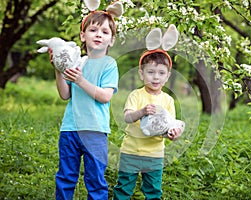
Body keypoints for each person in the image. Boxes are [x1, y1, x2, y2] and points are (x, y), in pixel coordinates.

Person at [53, 9, 119, 199]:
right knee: (65, 176)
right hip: (70, 128)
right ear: (83, 35)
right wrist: (58, 70)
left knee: (96, 179)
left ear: (111, 40)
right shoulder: (76, 61)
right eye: (93, 30)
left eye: (105, 32)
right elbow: (65, 94)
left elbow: (105, 96)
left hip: (95, 130)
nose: (99, 34)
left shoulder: (109, 64)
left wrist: (81, 81)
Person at [113, 49, 182, 199]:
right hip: (131, 151)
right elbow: (127, 117)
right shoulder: (136, 95)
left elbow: (170, 126)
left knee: (153, 191)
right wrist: (142, 112)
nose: (156, 77)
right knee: (123, 188)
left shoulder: (168, 100)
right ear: (141, 74)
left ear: (168, 76)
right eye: (150, 72)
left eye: (161, 73)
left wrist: (173, 134)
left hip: (154, 154)